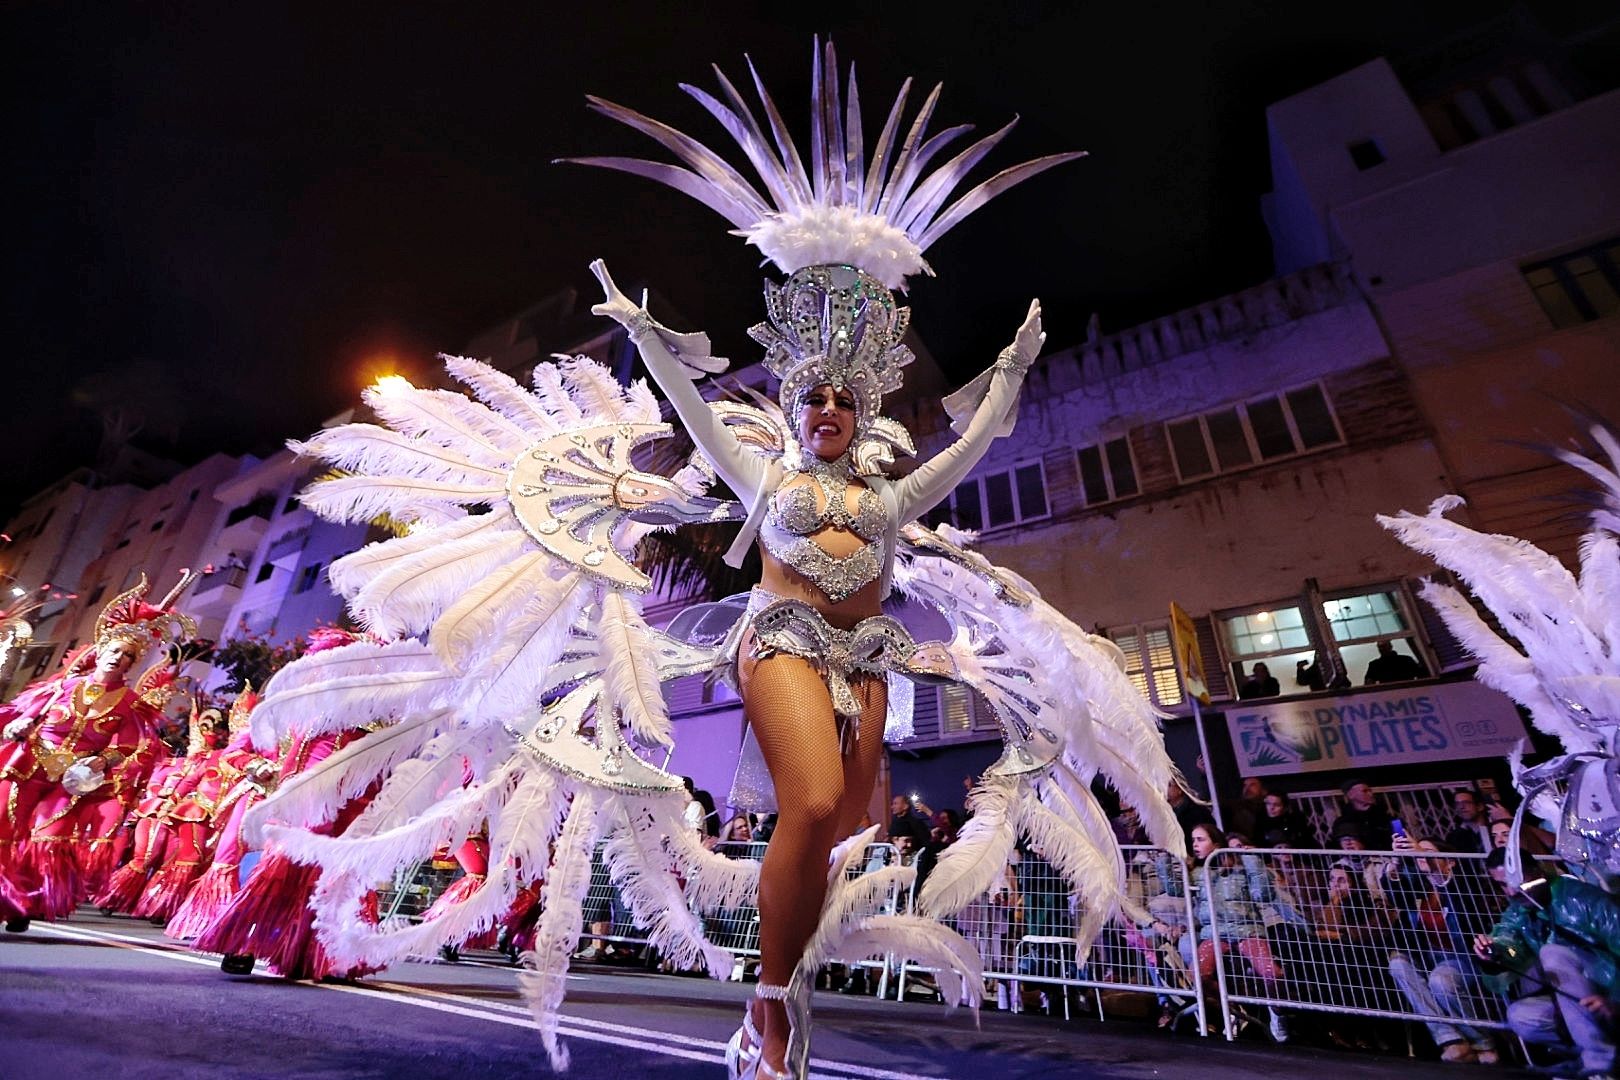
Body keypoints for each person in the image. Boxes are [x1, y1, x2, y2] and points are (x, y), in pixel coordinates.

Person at [0, 573, 196, 929]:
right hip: (28, 764)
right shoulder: (64, 686)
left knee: (48, 837)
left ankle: (24, 903)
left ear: (131, 665)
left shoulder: (130, 704)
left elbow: (134, 748)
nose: (118, 659)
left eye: (127, 657)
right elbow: (28, 713)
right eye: (115, 652)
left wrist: (102, 761)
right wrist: (19, 727)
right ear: (101, 651)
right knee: (3, 827)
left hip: (72, 781)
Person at [1474, 851, 1618, 1077]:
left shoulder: (1584, 899)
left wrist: (1614, 1000)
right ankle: (1587, 1056)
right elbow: (1511, 945)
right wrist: (1495, 952)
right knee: (1521, 1016)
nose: (1511, 892)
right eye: (1503, 885)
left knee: (1552, 954)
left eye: (1516, 882)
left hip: (1610, 991)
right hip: (1580, 1002)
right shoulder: (1519, 911)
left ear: (1536, 872)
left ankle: (1600, 1063)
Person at [1332, 778, 1394, 851]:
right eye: (1364, 791)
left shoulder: (1386, 817)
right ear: (1351, 795)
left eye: (1370, 791)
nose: (1370, 794)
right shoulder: (1343, 822)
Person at [1444, 788, 1492, 855]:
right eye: (1457, 804)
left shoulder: (1495, 828)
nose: (1461, 807)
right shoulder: (1454, 836)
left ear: (1480, 806)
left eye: (1466, 803)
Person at [1363, 640, 1427, 685]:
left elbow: (1421, 676)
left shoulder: (1406, 660)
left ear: (1390, 646)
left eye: (1383, 646)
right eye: (1380, 647)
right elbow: (1369, 682)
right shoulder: (1406, 659)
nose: (1381, 649)